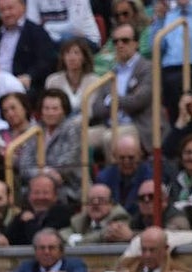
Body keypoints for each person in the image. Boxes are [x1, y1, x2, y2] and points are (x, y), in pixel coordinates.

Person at [88, 23, 155, 154]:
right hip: (110, 124)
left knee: (110, 138)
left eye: (125, 40)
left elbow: (139, 100)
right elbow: (96, 108)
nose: (120, 44)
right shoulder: (111, 72)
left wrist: (112, 101)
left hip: (138, 125)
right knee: (82, 137)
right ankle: (80, 175)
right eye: (116, 41)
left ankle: (113, 175)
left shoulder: (147, 67)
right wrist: (117, 102)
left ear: (136, 43)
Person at [0, 0, 57, 102]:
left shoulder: (36, 32)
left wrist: (30, 76)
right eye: (2, 10)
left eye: (10, 8)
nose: (6, 13)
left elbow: (46, 61)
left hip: (21, 85)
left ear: (23, 7)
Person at [97, 225, 192, 272]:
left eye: (152, 250)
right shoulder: (128, 263)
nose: (147, 255)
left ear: (165, 249)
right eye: (144, 249)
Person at [0, 227, 88, 272]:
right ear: (35, 251)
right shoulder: (28, 265)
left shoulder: (74, 264)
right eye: (42, 248)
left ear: (61, 251)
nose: (46, 252)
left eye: (51, 248)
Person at [59, 184, 134, 246]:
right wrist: (71, 238)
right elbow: (61, 234)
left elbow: (106, 233)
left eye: (101, 200)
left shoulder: (120, 217)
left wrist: (79, 241)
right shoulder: (80, 221)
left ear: (111, 204)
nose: (95, 204)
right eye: (91, 200)